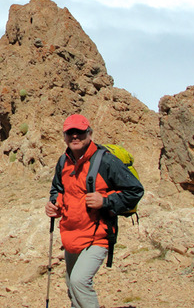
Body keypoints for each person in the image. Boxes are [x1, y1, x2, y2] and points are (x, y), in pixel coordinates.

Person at [45, 114, 144, 308]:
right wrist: (53, 203)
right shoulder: (63, 162)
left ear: (89, 133)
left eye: (80, 132)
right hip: (72, 234)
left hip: (98, 235)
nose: (75, 136)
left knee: (79, 282)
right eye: (70, 133)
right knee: (72, 286)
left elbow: (135, 190)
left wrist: (106, 200)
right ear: (64, 136)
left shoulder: (106, 161)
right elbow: (57, 188)